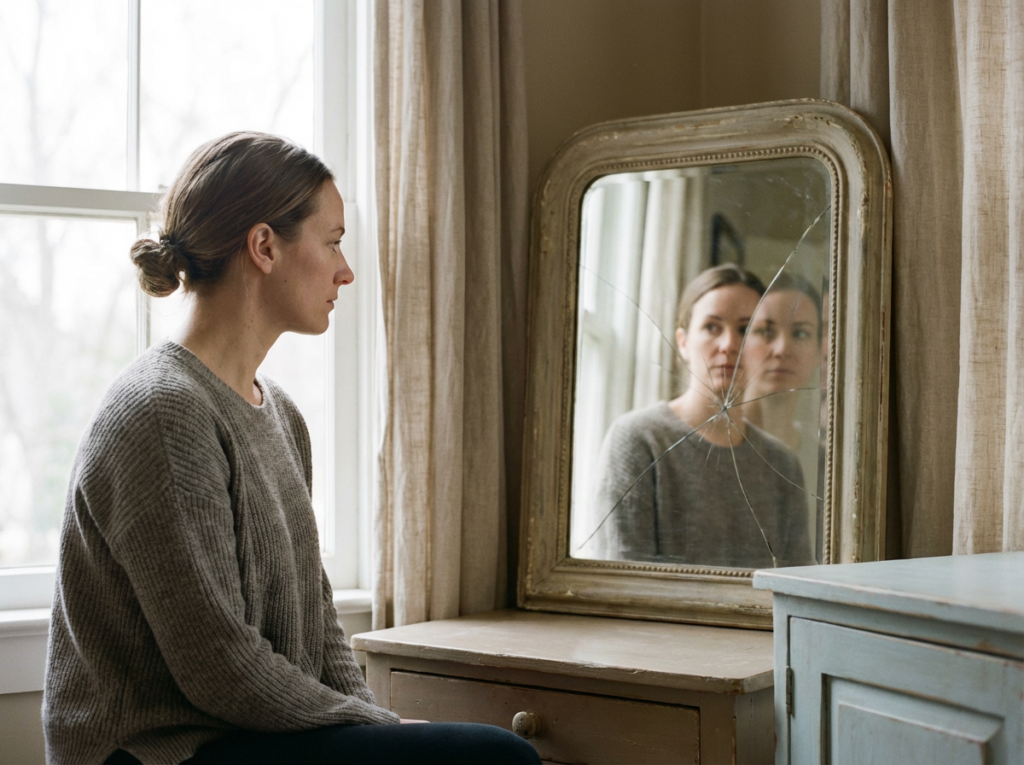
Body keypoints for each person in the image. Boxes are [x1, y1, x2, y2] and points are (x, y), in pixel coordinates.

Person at [42, 132, 541, 765]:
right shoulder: (163, 412)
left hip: (245, 735)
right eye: (332, 240)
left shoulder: (279, 413)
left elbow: (317, 621)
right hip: (159, 751)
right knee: (493, 759)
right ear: (264, 246)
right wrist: (372, 726)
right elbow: (220, 666)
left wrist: (372, 723)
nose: (346, 269)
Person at [585, 264, 813, 569]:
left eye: (746, 329)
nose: (729, 344)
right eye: (711, 327)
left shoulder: (783, 464)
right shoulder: (638, 440)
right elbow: (622, 581)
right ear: (683, 342)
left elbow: (796, 589)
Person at [743, 272, 825, 562]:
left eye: (800, 333)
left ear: (819, 351)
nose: (781, 349)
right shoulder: (713, 447)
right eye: (766, 331)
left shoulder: (827, 468)